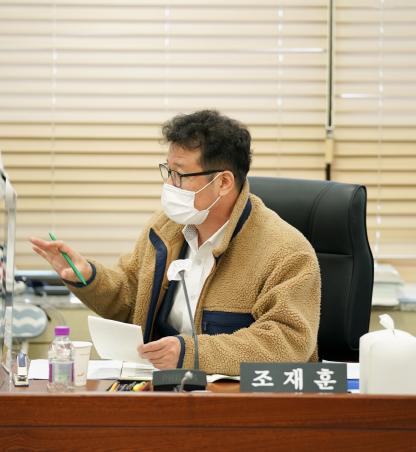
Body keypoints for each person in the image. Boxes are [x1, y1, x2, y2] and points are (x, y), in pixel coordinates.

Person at [30, 110, 321, 376]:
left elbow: (286, 341)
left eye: (180, 175)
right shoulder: (165, 229)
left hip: (242, 401)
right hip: (166, 389)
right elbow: (131, 299)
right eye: (168, 171)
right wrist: (87, 276)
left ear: (223, 182)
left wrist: (189, 354)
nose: (169, 185)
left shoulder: (286, 251)